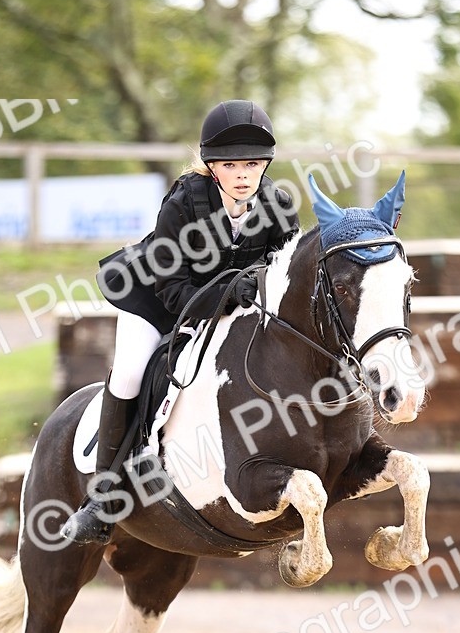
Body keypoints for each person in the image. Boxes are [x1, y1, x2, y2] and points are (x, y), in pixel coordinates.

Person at [62, 98, 300, 545]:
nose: (244, 175)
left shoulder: (278, 205)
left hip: (231, 308)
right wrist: (230, 298)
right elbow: (174, 290)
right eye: (232, 165)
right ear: (212, 167)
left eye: (253, 164)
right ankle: (103, 497)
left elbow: (286, 279)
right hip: (156, 299)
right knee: (132, 372)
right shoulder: (184, 202)